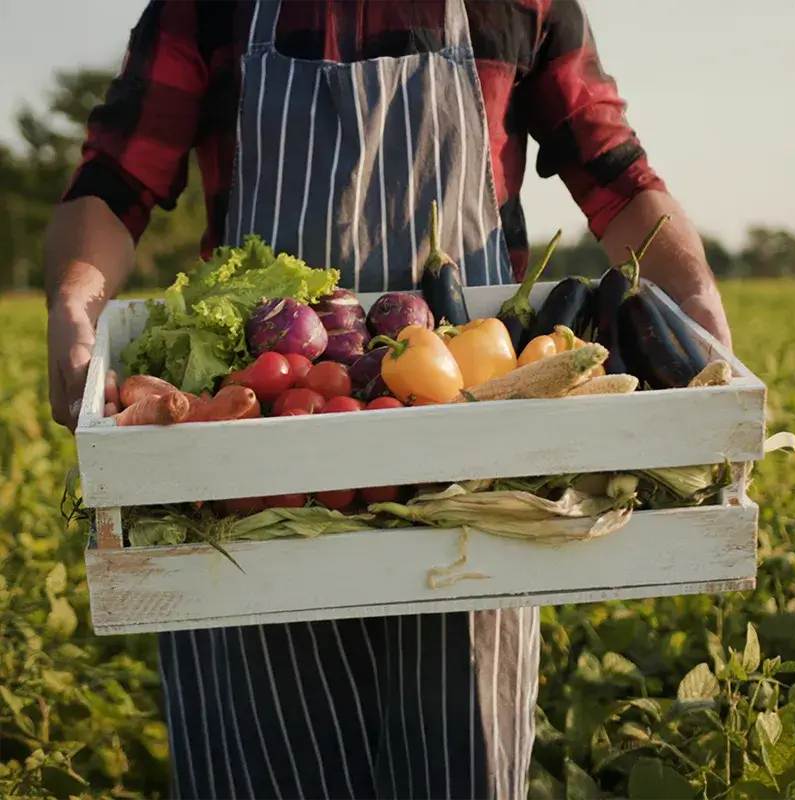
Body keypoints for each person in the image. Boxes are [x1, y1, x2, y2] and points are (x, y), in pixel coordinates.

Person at [45, 1, 732, 798]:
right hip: (249, 484)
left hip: (474, 490)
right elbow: (116, 177)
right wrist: (75, 302)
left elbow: (612, 166)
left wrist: (701, 310)